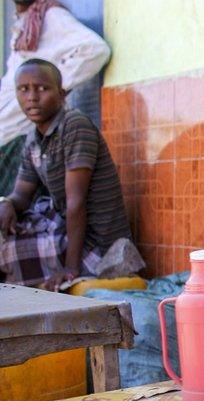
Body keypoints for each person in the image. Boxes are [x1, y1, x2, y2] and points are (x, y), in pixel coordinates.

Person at [0, 59, 136, 291]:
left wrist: (71, 269)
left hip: (96, 246)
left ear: (62, 94)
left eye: (42, 88)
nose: (32, 97)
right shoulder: (33, 139)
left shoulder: (74, 125)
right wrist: (6, 203)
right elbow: (21, 196)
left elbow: (76, 201)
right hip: (63, 231)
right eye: (24, 89)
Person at [0, 0, 110, 197]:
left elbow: (95, 50)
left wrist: (52, 89)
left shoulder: (50, 16)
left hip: (20, 140)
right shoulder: (24, 22)